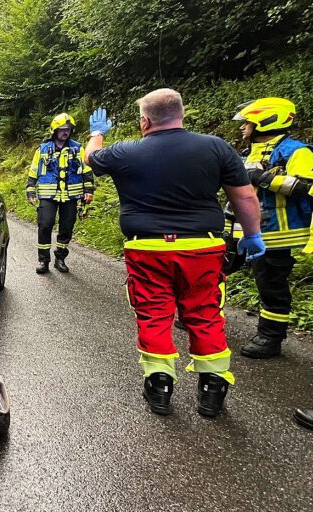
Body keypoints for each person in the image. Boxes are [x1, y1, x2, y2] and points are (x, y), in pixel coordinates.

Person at [83, 89, 264, 417]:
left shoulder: (126, 152)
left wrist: (97, 133)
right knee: (206, 314)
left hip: (147, 248)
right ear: (181, 114)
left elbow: (90, 157)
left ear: (144, 121)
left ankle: (160, 386)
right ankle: (212, 389)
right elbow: (246, 198)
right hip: (203, 248)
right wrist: (252, 235)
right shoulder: (217, 148)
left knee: (153, 313)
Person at [229, 98, 313, 359]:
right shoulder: (250, 152)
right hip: (243, 229)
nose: (243, 127)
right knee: (217, 268)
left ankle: (270, 337)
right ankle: (201, 317)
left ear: (266, 121)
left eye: (248, 122)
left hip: (277, 233)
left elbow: (305, 186)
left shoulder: (296, 151)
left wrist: (264, 178)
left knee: (271, 285)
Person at [26, 113, 95, 274]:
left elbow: (86, 170)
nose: (66, 132)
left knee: (66, 227)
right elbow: (34, 170)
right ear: (54, 131)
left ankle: (60, 259)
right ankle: (43, 261)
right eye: (62, 129)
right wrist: (30, 190)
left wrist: (89, 190)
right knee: (45, 225)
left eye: (68, 129)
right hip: (48, 195)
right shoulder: (42, 149)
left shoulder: (77, 148)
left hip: (70, 195)